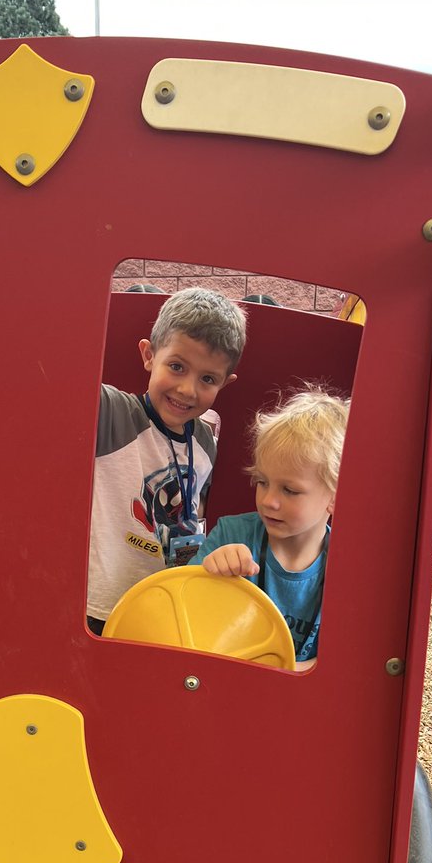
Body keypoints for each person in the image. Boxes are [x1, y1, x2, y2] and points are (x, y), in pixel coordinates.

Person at [87, 286, 247, 634]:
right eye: (176, 366)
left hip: (165, 608)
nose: (188, 390)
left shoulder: (205, 442)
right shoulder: (113, 412)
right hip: (100, 607)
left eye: (207, 379)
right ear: (149, 354)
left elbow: (196, 507)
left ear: (225, 383)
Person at [190, 386, 349, 670]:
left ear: (336, 497)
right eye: (262, 482)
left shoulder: (348, 569)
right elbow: (184, 608)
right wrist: (209, 575)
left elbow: (349, 661)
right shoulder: (231, 535)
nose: (268, 501)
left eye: (289, 490)